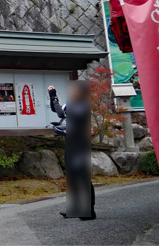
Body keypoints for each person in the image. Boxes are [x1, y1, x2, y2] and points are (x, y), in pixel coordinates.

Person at [49, 81, 95, 220]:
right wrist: (53, 96)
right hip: (71, 144)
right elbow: (57, 111)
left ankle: (89, 211)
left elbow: (64, 113)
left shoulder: (83, 106)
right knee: (73, 176)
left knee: (82, 176)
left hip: (80, 145)